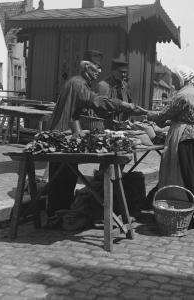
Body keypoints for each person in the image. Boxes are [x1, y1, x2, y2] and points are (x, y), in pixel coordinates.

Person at [46, 49, 144, 227]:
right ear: (86, 69)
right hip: (60, 137)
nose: (99, 72)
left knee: (65, 178)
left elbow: (74, 114)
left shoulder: (78, 82)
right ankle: (56, 215)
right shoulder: (79, 84)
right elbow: (96, 102)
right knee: (61, 178)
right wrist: (123, 105)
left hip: (64, 136)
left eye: (100, 69)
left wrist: (78, 132)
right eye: (96, 69)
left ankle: (60, 213)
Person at [146, 65, 194, 226]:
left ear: (182, 78)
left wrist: (145, 113)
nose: (172, 81)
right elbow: (185, 116)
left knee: (179, 174)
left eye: (175, 78)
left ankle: (179, 207)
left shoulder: (182, 95)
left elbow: (163, 115)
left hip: (184, 138)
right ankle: (192, 208)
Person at [96, 54, 132, 121]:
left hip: (124, 127)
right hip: (107, 126)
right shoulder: (103, 86)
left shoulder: (125, 86)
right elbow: (100, 107)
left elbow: (130, 106)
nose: (123, 75)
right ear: (113, 71)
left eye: (125, 72)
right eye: (121, 72)